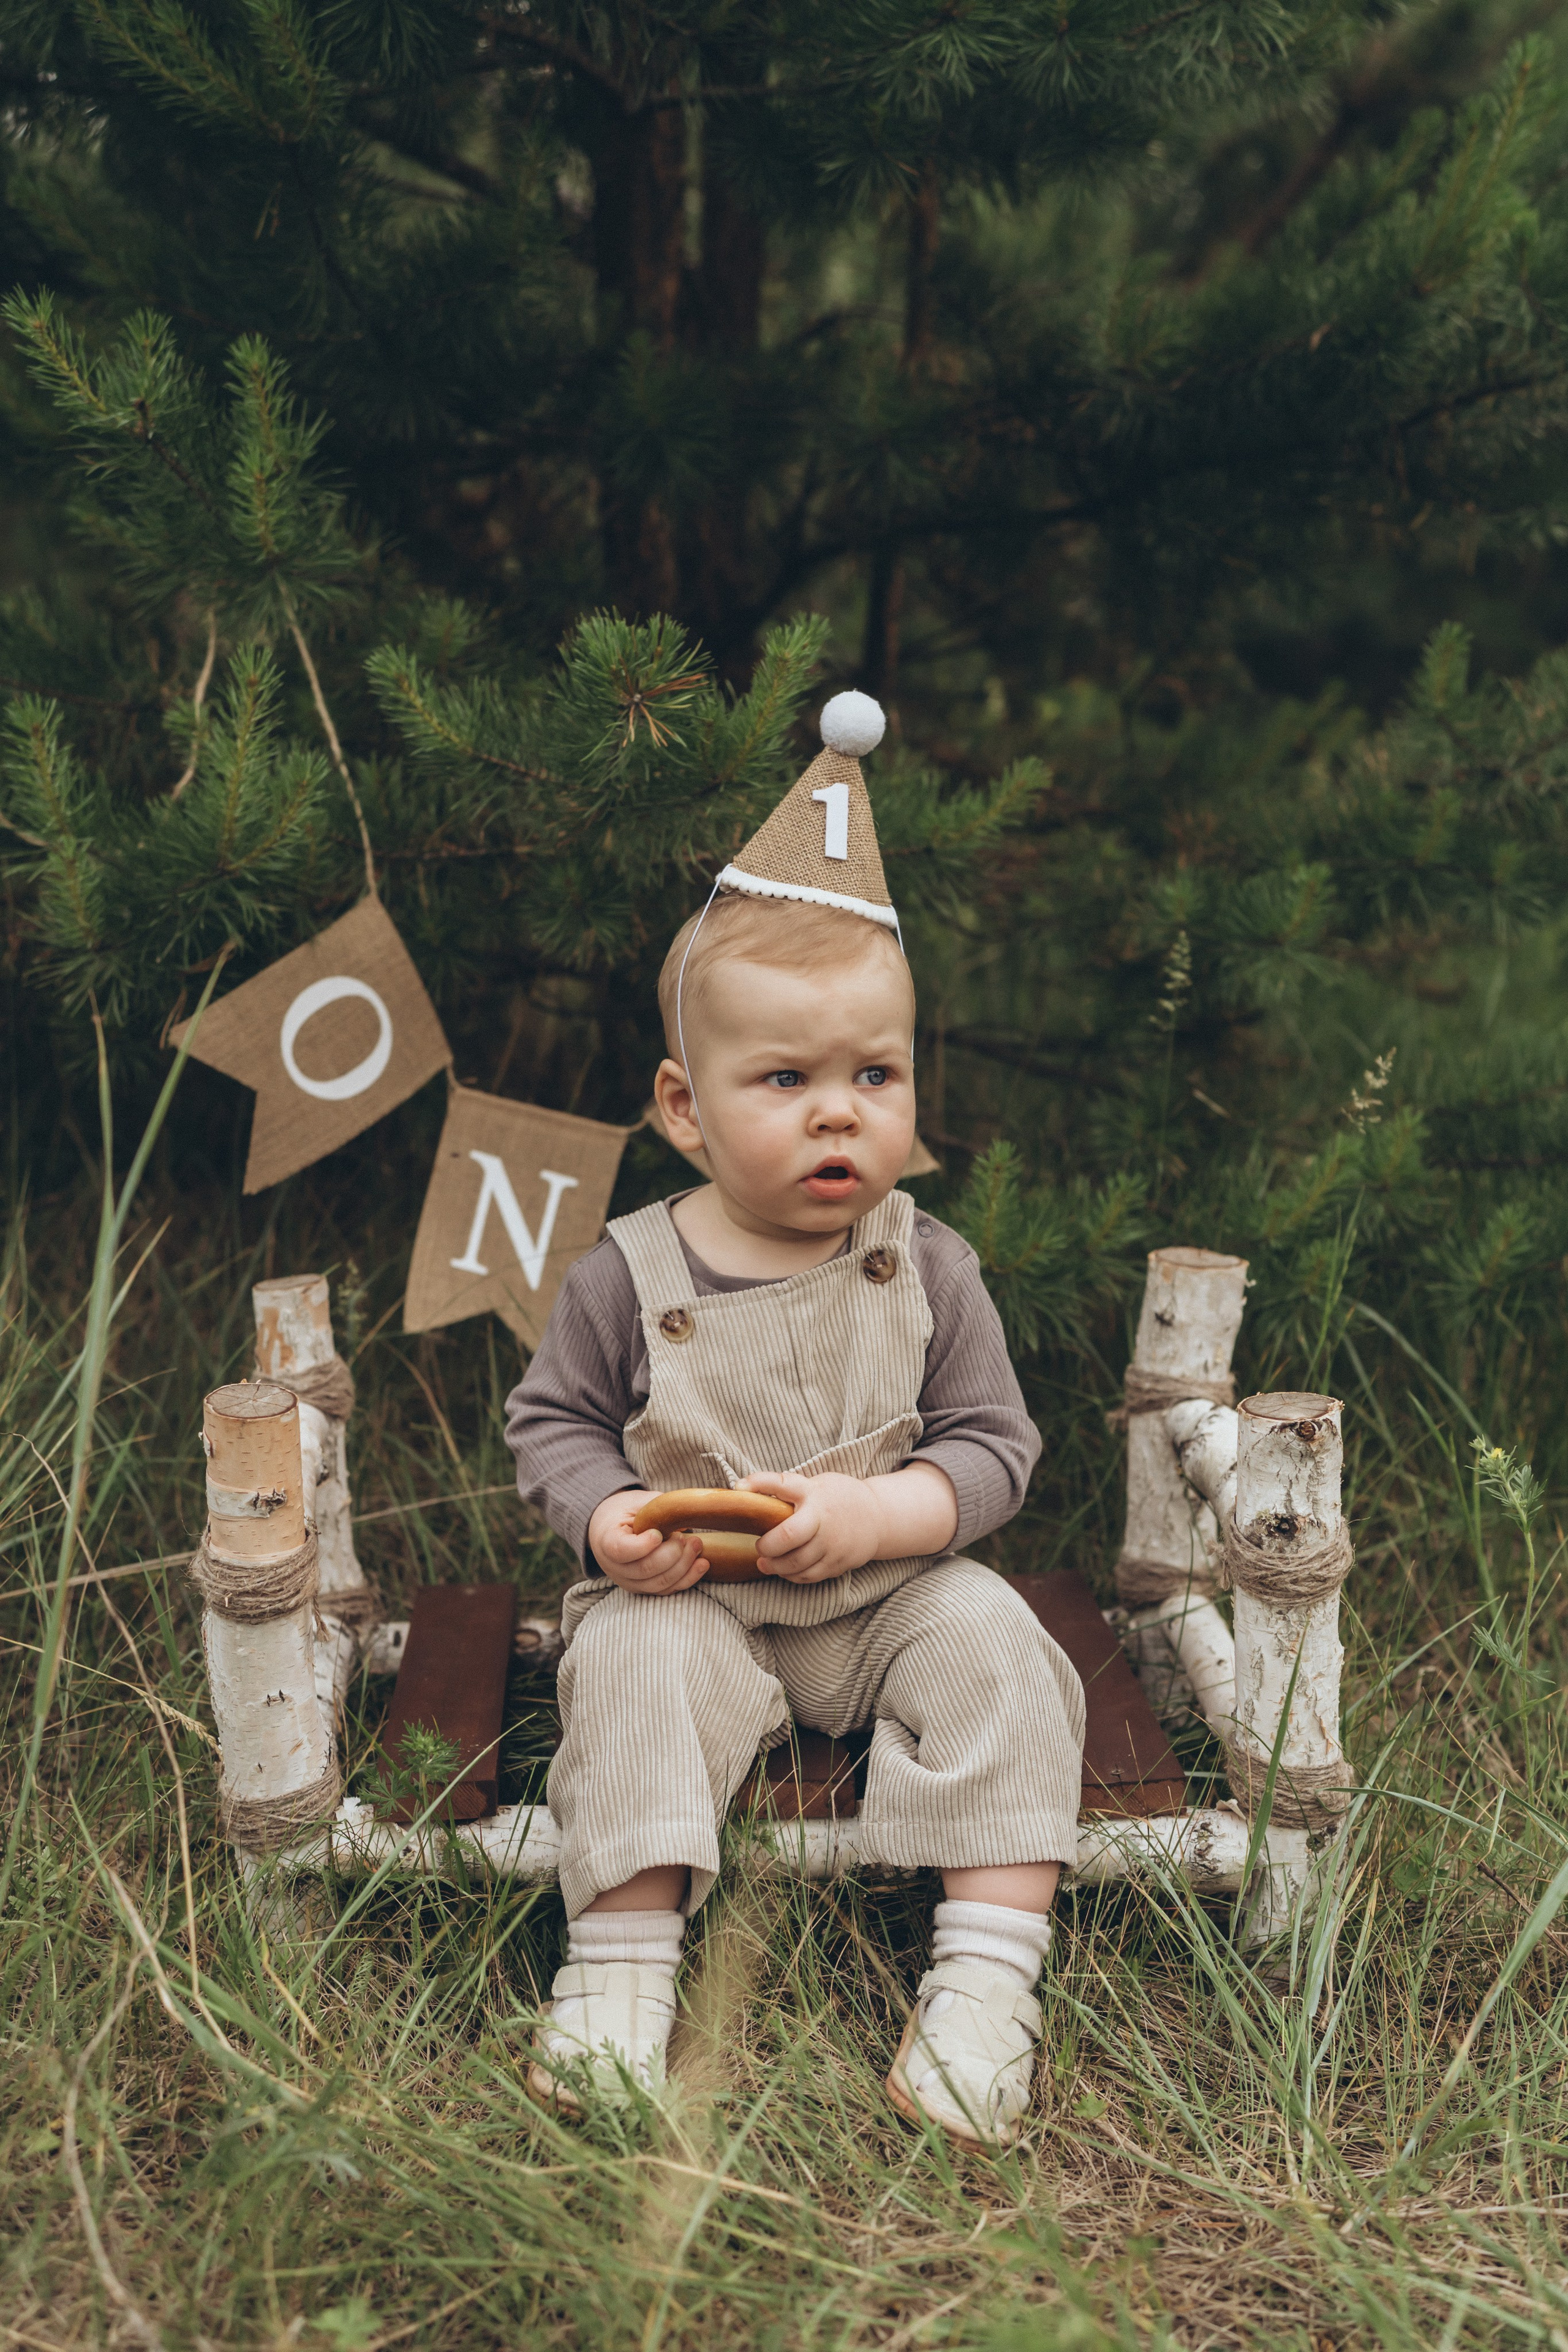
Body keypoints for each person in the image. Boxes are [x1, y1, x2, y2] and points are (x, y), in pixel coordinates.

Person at [505, 692, 1085, 2150]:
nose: (840, 1116)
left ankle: (984, 1979)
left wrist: (888, 1515)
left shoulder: (924, 1260)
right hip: (692, 1594)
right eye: (787, 1081)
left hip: (880, 1591)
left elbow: (991, 1445)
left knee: (1004, 1651)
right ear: (684, 1108)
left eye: (872, 1077)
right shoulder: (626, 1271)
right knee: (626, 1673)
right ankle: (621, 1979)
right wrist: (606, 1518)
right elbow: (555, 1424)